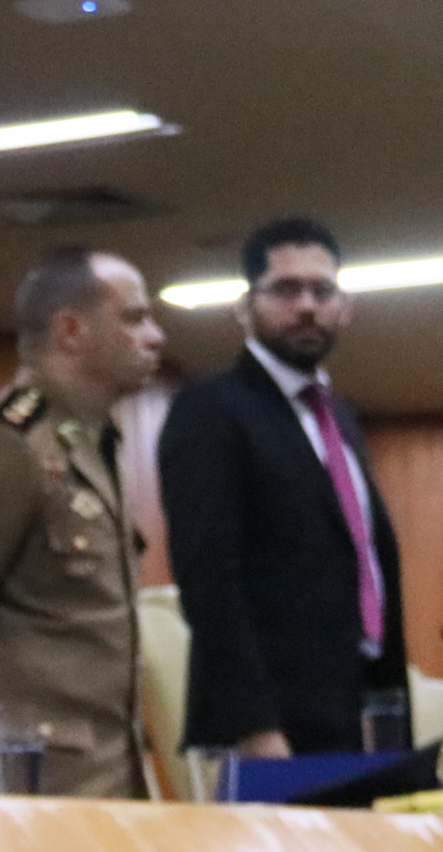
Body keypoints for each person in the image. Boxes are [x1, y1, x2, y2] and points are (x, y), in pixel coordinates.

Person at [157, 215, 407, 759]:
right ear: (244, 308)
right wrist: (256, 727)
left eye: (322, 291)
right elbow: (209, 581)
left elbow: (362, 560)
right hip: (271, 722)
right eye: (286, 290)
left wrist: (388, 714)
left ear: (345, 308)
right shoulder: (211, 409)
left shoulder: (339, 418)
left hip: (355, 704)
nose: (307, 306)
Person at [0, 247, 165, 798]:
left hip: (105, 773)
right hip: (32, 779)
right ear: (70, 331)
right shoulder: (7, 448)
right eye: (133, 319)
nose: (155, 337)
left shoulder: (95, 442)